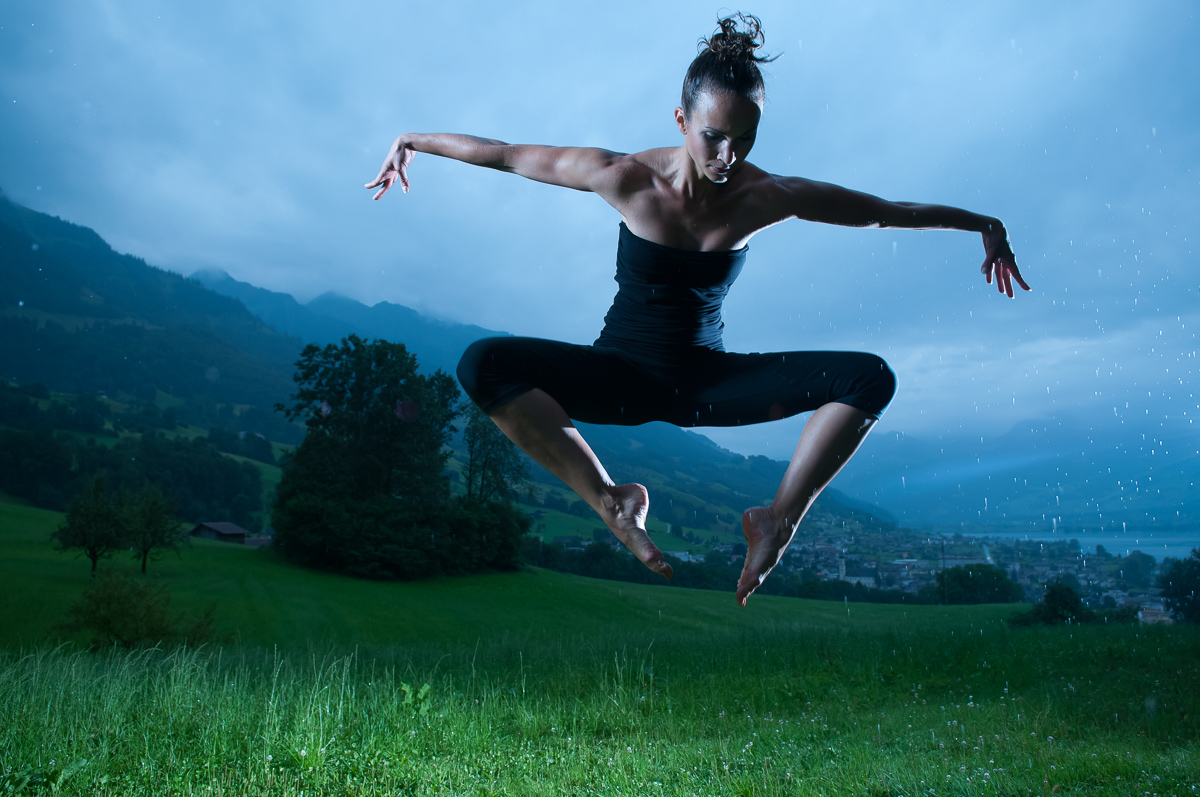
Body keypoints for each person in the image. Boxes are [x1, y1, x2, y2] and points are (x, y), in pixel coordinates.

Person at [365, 13, 1028, 605]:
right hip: (619, 374)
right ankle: (612, 500)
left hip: (707, 384)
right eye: (713, 136)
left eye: (745, 138)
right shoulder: (621, 175)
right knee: (483, 363)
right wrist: (413, 139)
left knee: (869, 377)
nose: (728, 156)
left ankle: (778, 521)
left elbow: (886, 214)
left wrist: (984, 222)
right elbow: (507, 155)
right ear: (681, 123)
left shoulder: (767, 196)